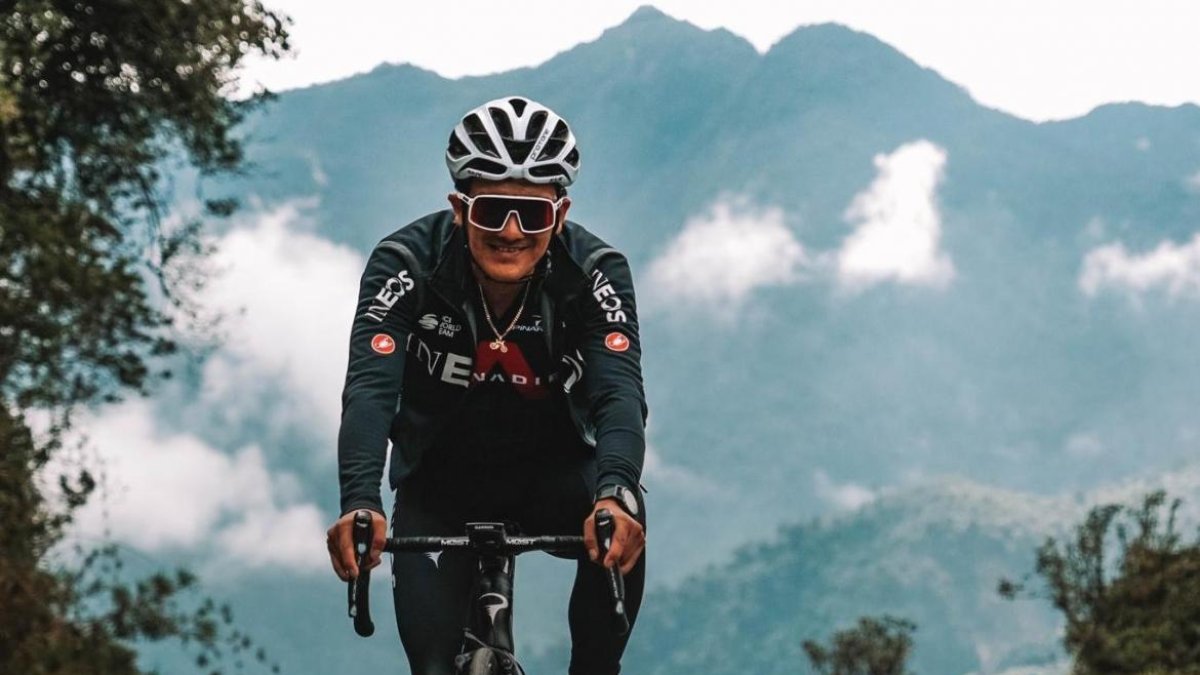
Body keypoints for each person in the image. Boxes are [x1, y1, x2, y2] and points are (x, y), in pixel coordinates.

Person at [325, 95, 648, 675]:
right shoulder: (405, 264)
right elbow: (370, 392)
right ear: (458, 207)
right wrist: (360, 503)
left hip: (555, 476)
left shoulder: (595, 272)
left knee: (622, 516)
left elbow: (618, 395)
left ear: (562, 214)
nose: (511, 231)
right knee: (434, 666)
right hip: (439, 486)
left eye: (535, 216)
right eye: (492, 210)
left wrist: (615, 491)